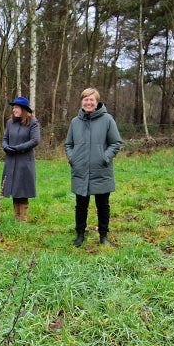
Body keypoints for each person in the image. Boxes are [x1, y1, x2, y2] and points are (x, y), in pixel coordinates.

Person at [64, 87, 122, 247]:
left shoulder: (107, 120)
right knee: (81, 205)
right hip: (80, 171)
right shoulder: (75, 122)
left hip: (101, 171)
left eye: (91, 100)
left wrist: (105, 157)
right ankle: (80, 235)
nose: (88, 102)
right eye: (85, 99)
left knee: (103, 205)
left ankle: (103, 236)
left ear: (96, 103)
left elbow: (116, 143)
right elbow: (68, 144)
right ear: (82, 102)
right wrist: (72, 158)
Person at [1, 96, 40, 221]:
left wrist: (17, 148)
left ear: (23, 109)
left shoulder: (32, 123)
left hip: (24, 161)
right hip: (11, 160)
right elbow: (5, 138)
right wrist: (5, 146)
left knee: (22, 189)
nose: (14, 110)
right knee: (14, 188)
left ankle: (23, 219)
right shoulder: (10, 122)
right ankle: (16, 217)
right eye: (13, 107)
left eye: (16, 107)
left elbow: (35, 140)